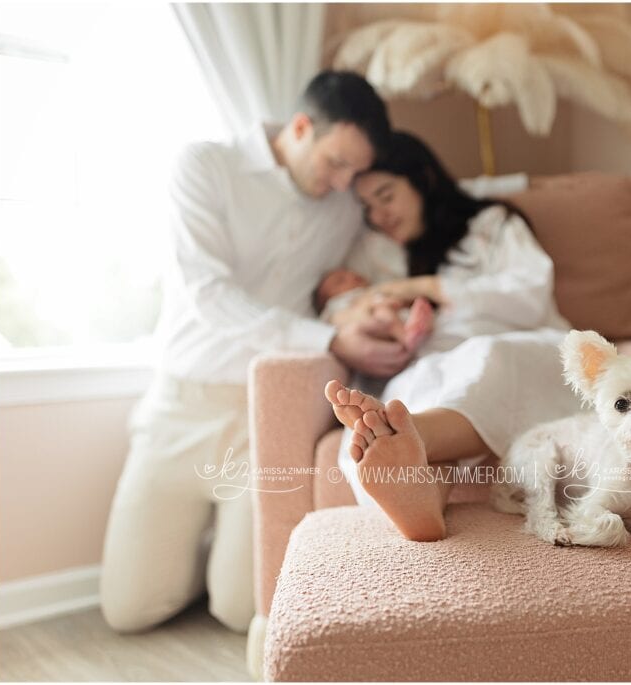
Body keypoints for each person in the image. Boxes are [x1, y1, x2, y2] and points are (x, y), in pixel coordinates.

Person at [100, 71, 409, 634]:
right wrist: (328, 339)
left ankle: (224, 557)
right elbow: (208, 295)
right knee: (129, 611)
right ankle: (197, 547)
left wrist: (362, 314)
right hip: (181, 406)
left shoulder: (341, 208)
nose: (344, 183)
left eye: (356, 172)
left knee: (242, 611)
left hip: (261, 416)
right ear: (298, 128)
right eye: (336, 162)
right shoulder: (206, 167)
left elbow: (369, 272)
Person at [321, 131, 584, 542]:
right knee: (414, 390)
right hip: (436, 361)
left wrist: (426, 286)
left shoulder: (490, 224)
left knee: (487, 358)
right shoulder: (378, 253)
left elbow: (531, 293)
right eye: (367, 207)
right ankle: (422, 493)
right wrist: (371, 319)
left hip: (519, 341)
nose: (378, 215)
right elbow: (343, 305)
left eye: (386, 196)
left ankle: (409, 435)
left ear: (422, 179)